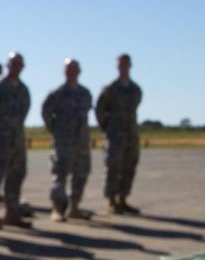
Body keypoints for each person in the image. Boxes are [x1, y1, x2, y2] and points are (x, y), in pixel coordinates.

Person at [0, 52, 31, 228]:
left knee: (16, 175)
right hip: (0, 139)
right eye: (13, 63)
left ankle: (11, 212)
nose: (16, 67)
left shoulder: (23, 90)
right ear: (7, 65)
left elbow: (24, 112)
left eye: (19, 63)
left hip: (17, 140)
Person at [42, 58, 93, 221]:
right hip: (63, 142)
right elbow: (46, 112)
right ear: (64, 71)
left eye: (74, 69)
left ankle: (74, 207)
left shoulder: (85, 93)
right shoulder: (57, 92)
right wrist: (55, 130)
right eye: (68, 69)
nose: (71, 72)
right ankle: (57, 208)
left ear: (79, 71)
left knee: (81, 174)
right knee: (60, 174)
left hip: (82, 141)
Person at [96, 53, 143, 215]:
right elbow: (100, 110)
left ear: (130, 66)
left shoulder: (135, 89)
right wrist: (106, 128)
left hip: (131, 134)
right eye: (120, 64)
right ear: (117, 66)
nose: (123, 66)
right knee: (113, 167)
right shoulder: (110, 88)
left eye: (126, 63)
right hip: (115, 134)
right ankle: (111, 200)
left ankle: (123, 198)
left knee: (129, 166)